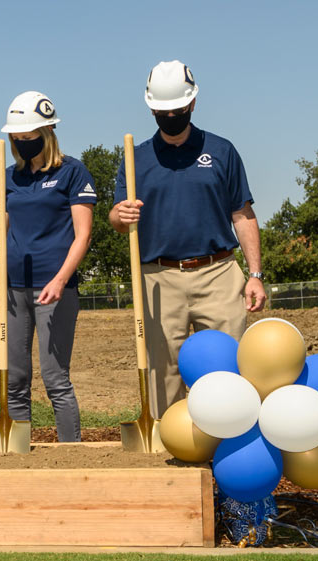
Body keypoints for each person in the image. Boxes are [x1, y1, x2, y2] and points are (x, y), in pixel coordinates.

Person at [110, 61, 267, 415]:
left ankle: (230, 441)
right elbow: (119, 218)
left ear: (193, 103)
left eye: (177, 110)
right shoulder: (135, 159)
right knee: (163, 372)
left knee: (229, 366)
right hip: (158, 278)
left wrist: (254, 275)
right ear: (151, 108)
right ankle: (170, 445)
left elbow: (242, 216)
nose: (170, 116)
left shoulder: (222, 151)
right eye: (163, 111)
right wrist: (118, 216)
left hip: (219, 274)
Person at [0, 91, 94, 442]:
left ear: (47, 133)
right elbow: (1, 226)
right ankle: (18, 452)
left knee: (55, 378)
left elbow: (83, 235)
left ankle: (70, 457)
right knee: (14, 378)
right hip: (12, 290)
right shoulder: (9, 177)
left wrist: (61, 279)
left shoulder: (73, 173)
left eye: (29, 138)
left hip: (54, 289)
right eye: (17, 138)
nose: (22, 143)